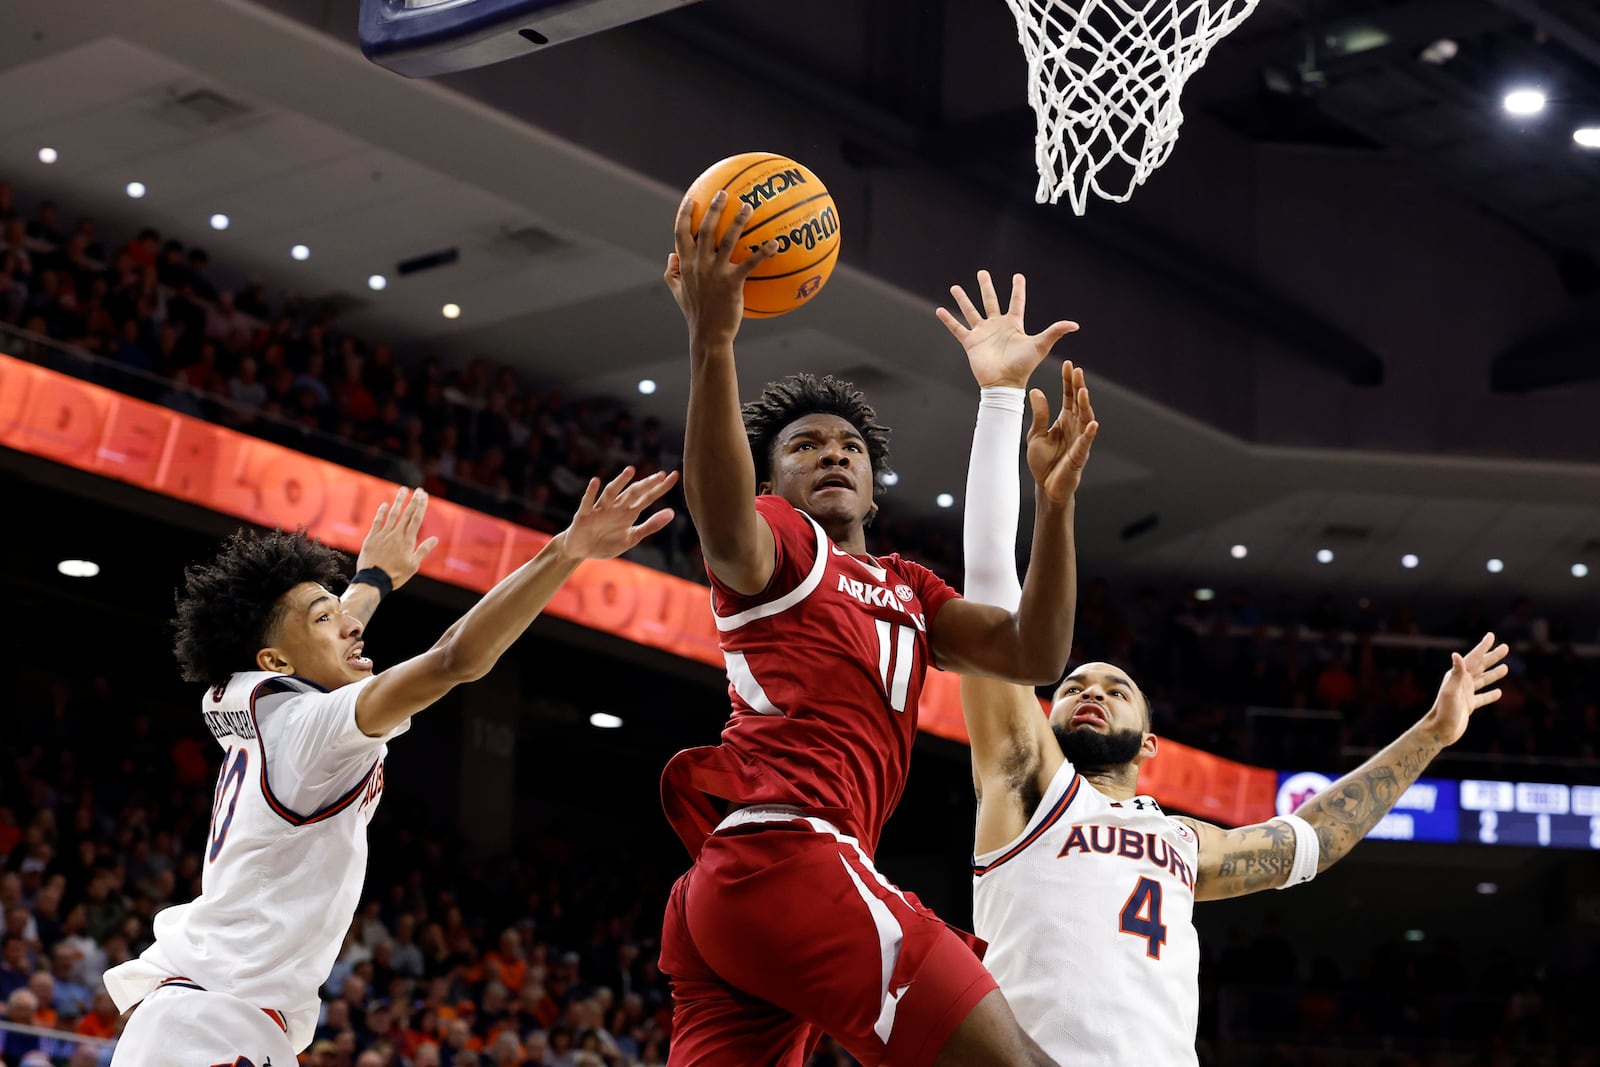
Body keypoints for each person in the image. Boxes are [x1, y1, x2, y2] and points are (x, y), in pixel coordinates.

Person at [948, 273, 1511, 1066]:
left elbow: (1314, 839)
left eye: (1115, 688)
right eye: (1074, 684)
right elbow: (990, 598)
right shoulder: (1024, 783)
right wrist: (1005, 404)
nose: (1090, 691)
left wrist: (1434, 731)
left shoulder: (1185, 842)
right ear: (1046, 715)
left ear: (1151, 747)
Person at [656, 195, 1097, 1066]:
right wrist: (713, 343)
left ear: (873, 483)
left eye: (849, 445)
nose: (832, 452)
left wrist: (1054, 508)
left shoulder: (907, 588)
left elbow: (1035, 654)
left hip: (743, 894)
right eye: (806, 445)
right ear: (771, 481)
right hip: (789, 852)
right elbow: (718, 511)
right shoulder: (781, 546)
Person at [104, 472, 678, 1065]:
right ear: (274, 659)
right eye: (324, 619)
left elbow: (314, 639)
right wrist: (565, 550)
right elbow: (454, 659)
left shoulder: (243, 693)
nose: (350, 625)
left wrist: (370, 582)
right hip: (215, 1022)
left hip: (208, 1015)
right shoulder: (310, 727)